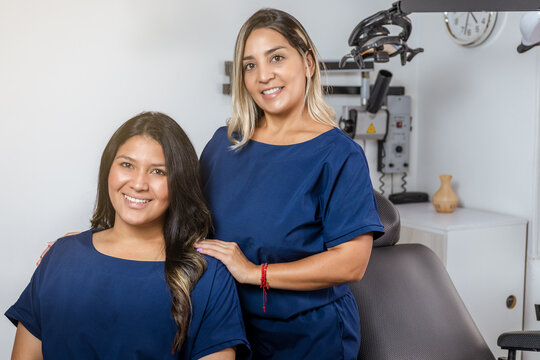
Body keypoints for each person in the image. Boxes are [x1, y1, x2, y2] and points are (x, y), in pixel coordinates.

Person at [195, 8, 384, 360]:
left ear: (308, 63)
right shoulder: (224, 145)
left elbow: (351, 264)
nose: (263, 76)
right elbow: (183, 220)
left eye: (276, 58)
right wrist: (100, 240)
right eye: (250, 65)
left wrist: (254, 273)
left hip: (308, 338)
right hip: (228, 330)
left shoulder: (339, 155)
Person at [6, 112, 249, 359]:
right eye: (127, 165)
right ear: (108, 169)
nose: (138, 183)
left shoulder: (208, 275)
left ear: (179, 182)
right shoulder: (60, 256)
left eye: (158, 172)